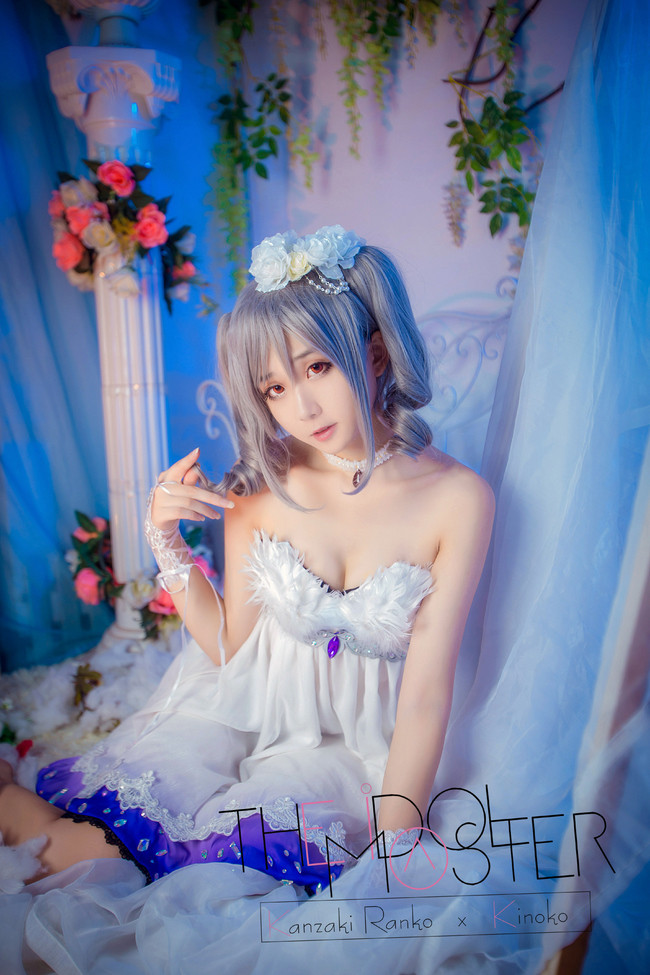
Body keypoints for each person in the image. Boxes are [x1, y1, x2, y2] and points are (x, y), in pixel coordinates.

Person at [0, 225, 493, 893]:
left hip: (347, 753)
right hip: (240, 715)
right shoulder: (263, 488)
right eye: (274, 389)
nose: (302, 408)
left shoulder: (459, 500)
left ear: (375, 354)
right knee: (92, 858)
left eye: (317, 367)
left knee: (220, 889)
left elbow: (426, 697)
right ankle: (8, 796)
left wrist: (396, 844)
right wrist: (165, 539)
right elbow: (232, 649)